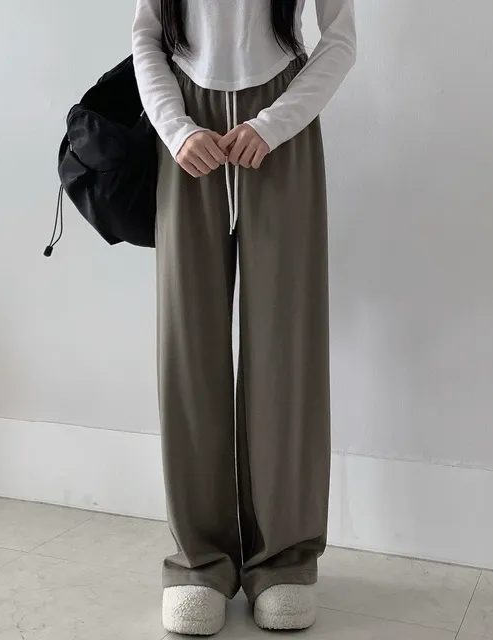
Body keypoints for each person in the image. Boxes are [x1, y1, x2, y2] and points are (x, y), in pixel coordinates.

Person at [132, 0, 356, 634]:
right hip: (188, 133)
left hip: (280, 127)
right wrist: (175, 128)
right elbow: (147, 39)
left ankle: (283, 561)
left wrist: (275, 122)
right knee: (188, 344)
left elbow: (340, 39)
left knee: (287, 343)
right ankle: (199, 561)